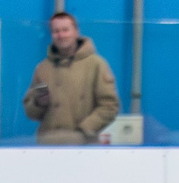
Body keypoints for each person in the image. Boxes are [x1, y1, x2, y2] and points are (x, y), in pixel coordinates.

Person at [22, 12, 120, 144]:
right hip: (48, 145)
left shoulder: (96, 65)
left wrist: (84, 129)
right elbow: (31, 113)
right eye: (56, 31)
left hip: (84, 145)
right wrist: (38, 103)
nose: (61, 35)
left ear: (76, 32)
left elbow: (110, 106)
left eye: (65, 30)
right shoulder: (42, 69)